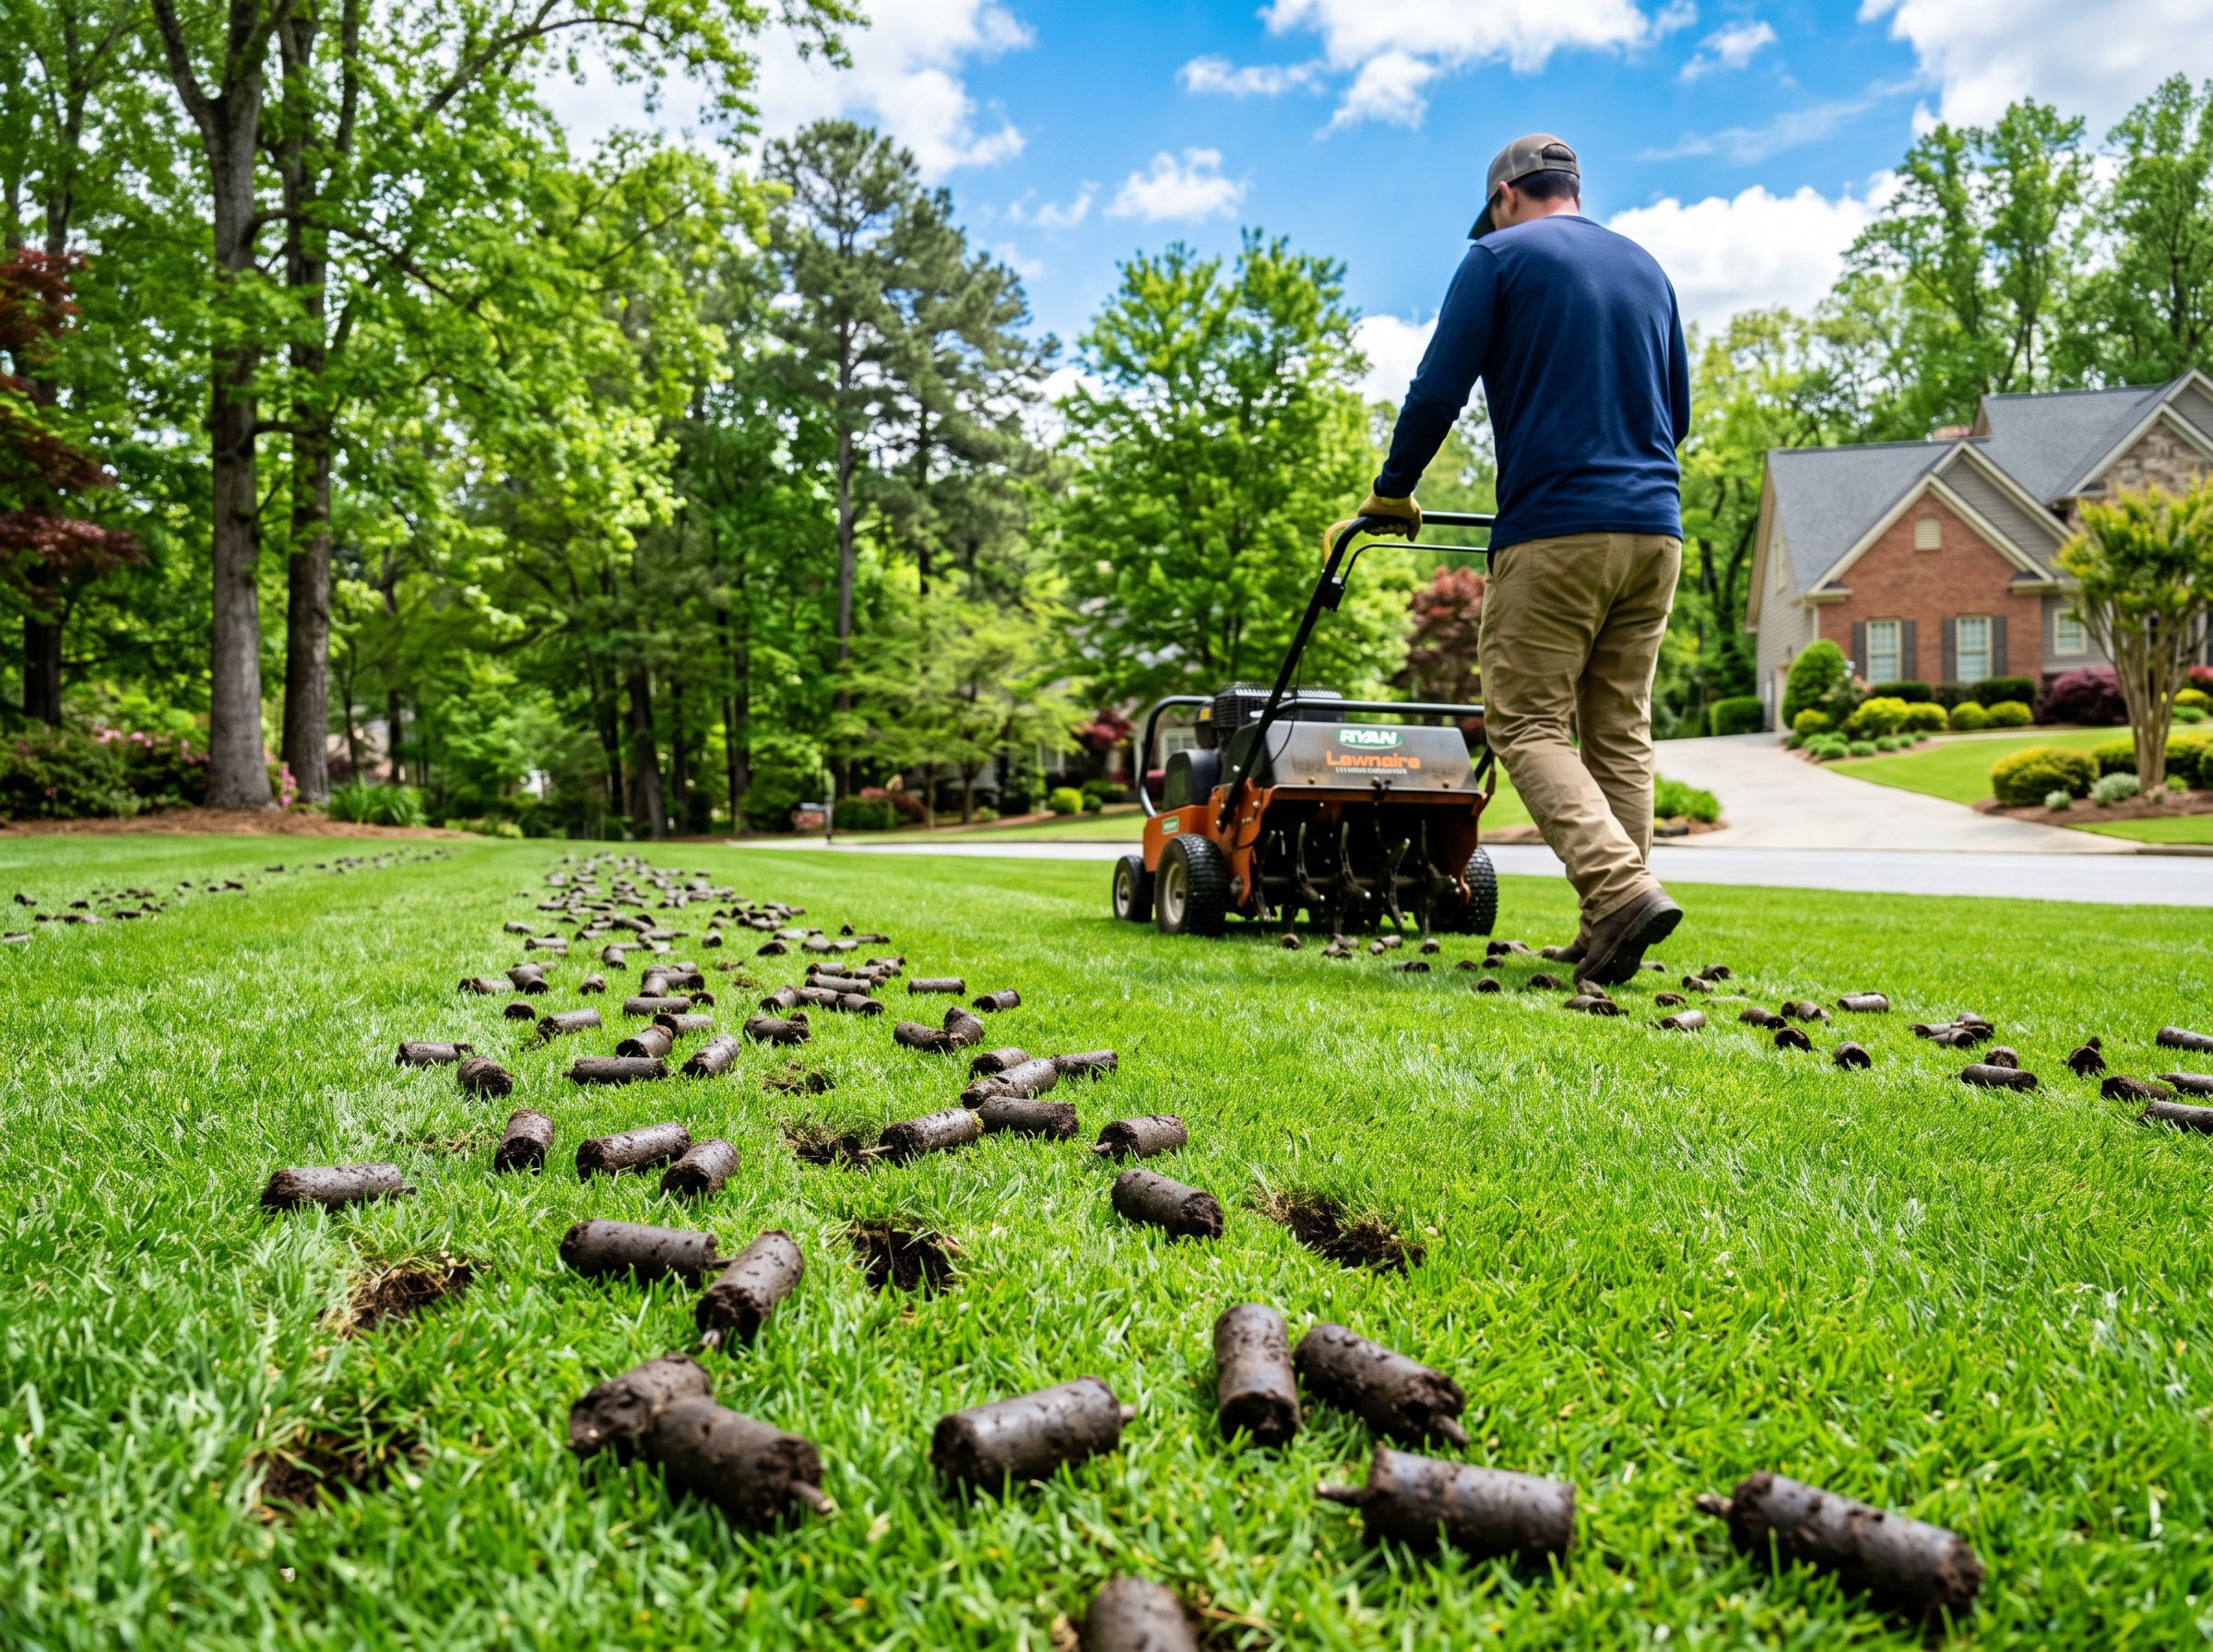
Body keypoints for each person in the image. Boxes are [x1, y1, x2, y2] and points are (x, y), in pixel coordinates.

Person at [1353, 134, 1689, 985]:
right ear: (1572, 189)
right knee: (1618, 727)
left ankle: (1618, 891)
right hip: (1657, 530)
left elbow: (1437, 388)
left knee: (1527, 723)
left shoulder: (1495, 257)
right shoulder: (1648, 268)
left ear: (1506, 194)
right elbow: (1676, 414)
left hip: (1558, 529)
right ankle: (1609, 926)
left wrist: (1393, 489)